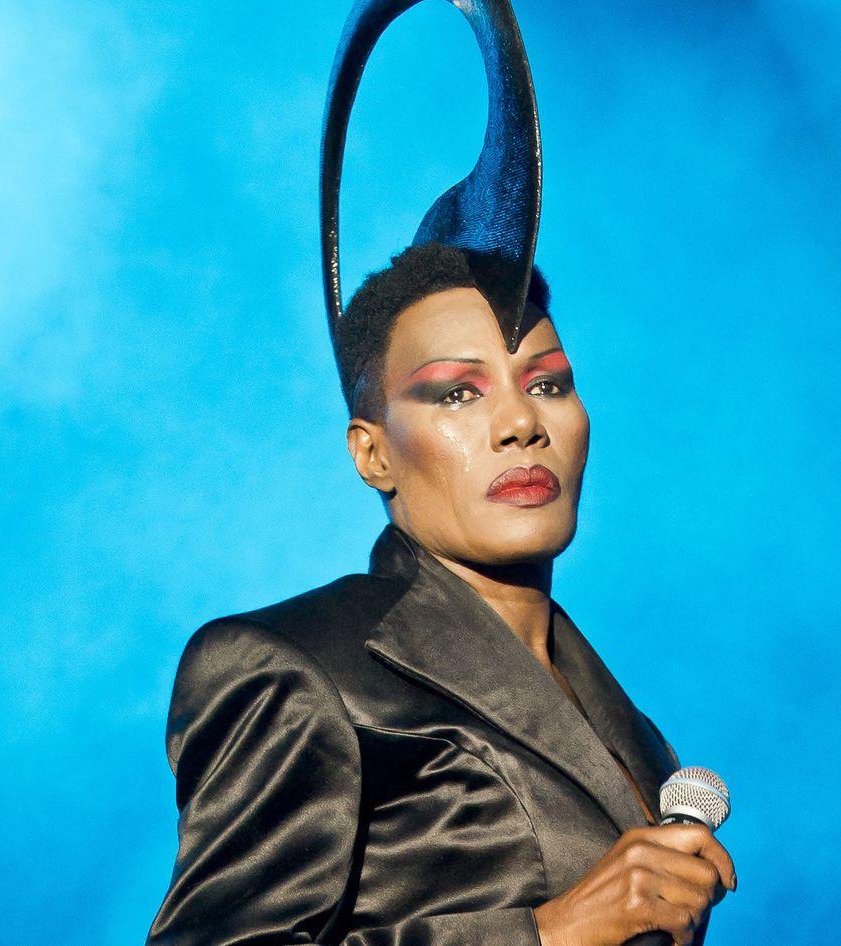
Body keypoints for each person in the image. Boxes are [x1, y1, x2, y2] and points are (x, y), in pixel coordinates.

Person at [146, 4, 735, 946]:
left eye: (547, 383)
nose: (520, 423)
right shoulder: (289, 664)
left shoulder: (634, 735)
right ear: (372, 451)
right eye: (457, 394)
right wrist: (545, 935)